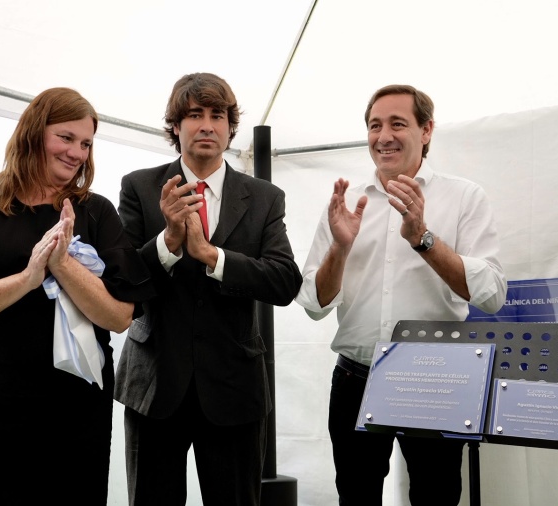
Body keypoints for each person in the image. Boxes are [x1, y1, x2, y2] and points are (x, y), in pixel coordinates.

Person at [0, 87, 153, 505]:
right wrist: (28, 277)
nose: (77, 152)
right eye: (66, 137)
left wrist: (64, 265)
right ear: (33, 133)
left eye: (86, 143)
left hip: (75, 405)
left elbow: (118, 318)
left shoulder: (96, 212)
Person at [295, 84, 507, 506]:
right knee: (355, 496)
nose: (383, 136)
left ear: (426, 131)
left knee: (436, 496)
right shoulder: (347, 202)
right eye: (375, 126)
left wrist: (423, 238)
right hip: (355, 377)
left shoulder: (464, 196)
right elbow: (315, 305)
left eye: (397, 124)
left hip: (434, 376)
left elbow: (493, 294)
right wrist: (339, 249)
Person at [114, 72, 302, 506]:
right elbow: (122, 281)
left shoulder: (264, 196)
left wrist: (211, 256)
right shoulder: (139, 187)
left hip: (234, 387)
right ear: (175, 126)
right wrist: (169, 243)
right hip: (154, 385)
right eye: (194, 115)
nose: (206, 125)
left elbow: (284, 280)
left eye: (218, 115)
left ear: (229, 127)